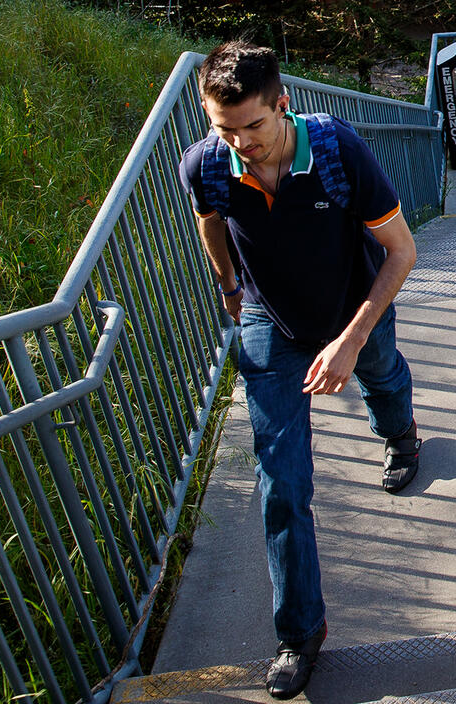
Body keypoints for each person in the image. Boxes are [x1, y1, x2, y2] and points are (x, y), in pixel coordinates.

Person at [178, 42, 420, 700]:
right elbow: (210, 221)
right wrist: (230, 288)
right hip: (270, 322)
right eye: (224, 128)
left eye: (253, 126)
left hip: (353, 308)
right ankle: (299, 634)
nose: (240, 143)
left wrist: (348, 341)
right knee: (280, 482)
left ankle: (401, 435)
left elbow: (401, 251)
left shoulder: (337, 152)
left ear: (282, 105)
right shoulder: (207, 164)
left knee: (382, 376)